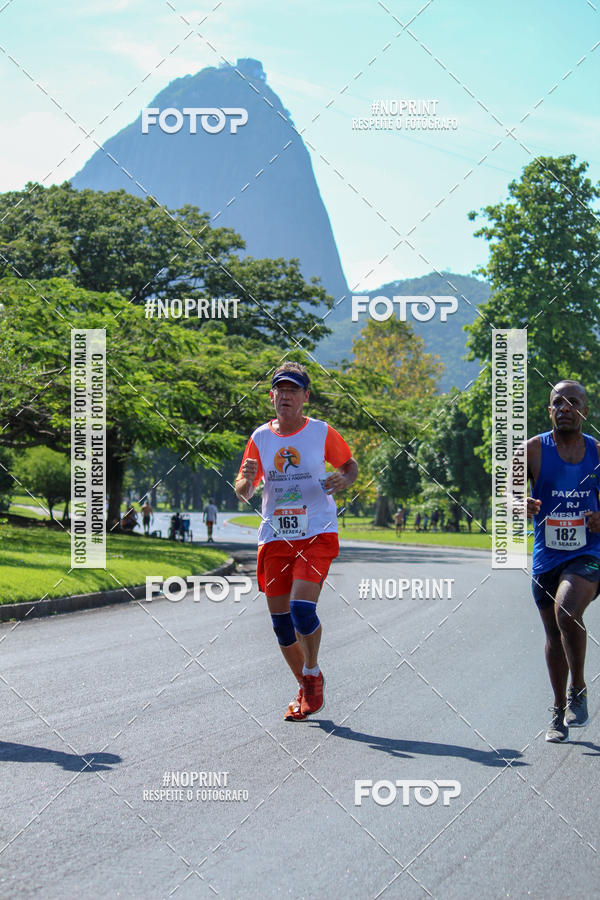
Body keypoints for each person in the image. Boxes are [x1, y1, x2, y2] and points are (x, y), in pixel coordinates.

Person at [235, 362, 358, 721]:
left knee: (302, 609)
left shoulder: (320, 433)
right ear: (271, 396)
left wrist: (343, 479)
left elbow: (350, 466)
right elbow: (244, 490)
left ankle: (312, 668)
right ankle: (308, 686)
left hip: (316, 531)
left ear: (305, 396)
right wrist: (246, 480)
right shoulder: (260, 438)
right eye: (280, 390)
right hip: (275, 536)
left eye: (294, 390)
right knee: (281, 624)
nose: (286, 396)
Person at [527, 380, 600, 743]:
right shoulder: (532, 451)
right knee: (554, 636)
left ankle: (579, 689)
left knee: (567, 610)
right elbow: (506, 496)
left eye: (574, 402)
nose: (566, 407)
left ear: (586, 411)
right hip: (545, 559)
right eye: (559, 402)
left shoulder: (598, 452)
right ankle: (558, 711)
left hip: (588, 554)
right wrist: (517, 505)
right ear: (549, 409)